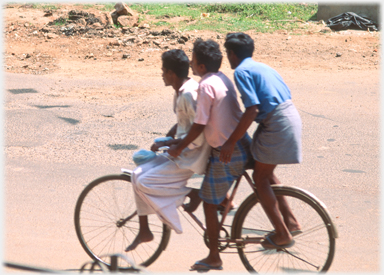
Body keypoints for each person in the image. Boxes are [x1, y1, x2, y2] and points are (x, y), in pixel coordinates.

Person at [168, 39, 252, 271]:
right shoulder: (222, 77)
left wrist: (179, 147)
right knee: (208, 184)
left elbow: (198, 125)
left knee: (208, 203)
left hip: (228, 152)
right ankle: (211, 198)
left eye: (193, 60)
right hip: (239, 142)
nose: (191, 64)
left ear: (201, 67)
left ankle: (214, 256)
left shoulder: (204, 86)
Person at [222, 32, 302, 249]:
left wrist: (230, 141)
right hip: (289, 116)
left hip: (276, 123)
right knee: (264, 171)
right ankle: (291, 221)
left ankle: (283, 233)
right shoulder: (263, 67)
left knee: (259, 177)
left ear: (232, 54)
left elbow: (252, 109)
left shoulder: (241, 71)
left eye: (227, 53)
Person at [125, 49, 211, 251]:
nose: (162, 74)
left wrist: (175, 145)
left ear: (172, 73)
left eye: (163, 71)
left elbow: (199, 130)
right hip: (182, 150)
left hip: (190, 156)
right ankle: (144, 230)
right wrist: (167, 138)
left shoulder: (188, 94)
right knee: (136, 175)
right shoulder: (182, 90)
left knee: (145, 181)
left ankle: (192, 193)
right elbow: (184, 124)